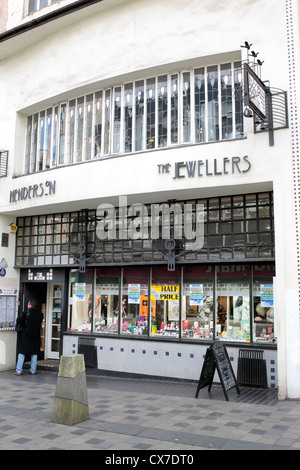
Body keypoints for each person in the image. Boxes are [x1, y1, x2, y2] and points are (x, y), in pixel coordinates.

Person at [15, 299, 43, 376]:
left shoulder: (26, 313)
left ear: (30, 305)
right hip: (36, 336)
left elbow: (19, 321)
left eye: (28, 304)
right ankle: (33, 370)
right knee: (34, 353)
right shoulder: (40, 314)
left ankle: (18, 370)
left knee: (22, 353)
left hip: (26, 335)